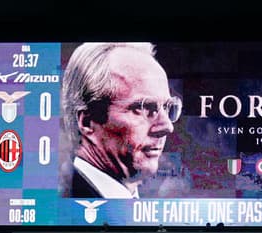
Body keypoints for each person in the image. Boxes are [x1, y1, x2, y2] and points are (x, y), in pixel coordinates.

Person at [61, 42, 180, 198]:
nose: (167, 126)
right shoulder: (59, 204)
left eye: (167, 107)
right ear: (87, 122)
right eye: (144, 108)